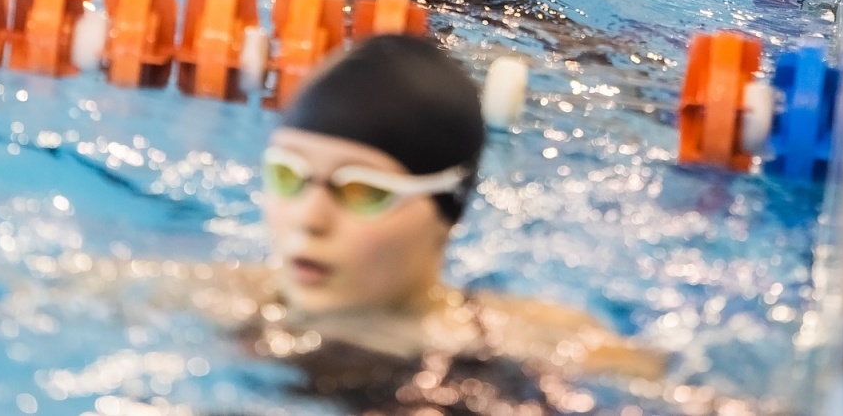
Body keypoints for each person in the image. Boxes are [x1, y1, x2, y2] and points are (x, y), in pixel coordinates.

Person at [183, 35, 664, 412]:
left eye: (362, 190)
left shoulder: (540, 347)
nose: (309, 220)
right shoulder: (219, 301)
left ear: (447, 209)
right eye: (287, 176)